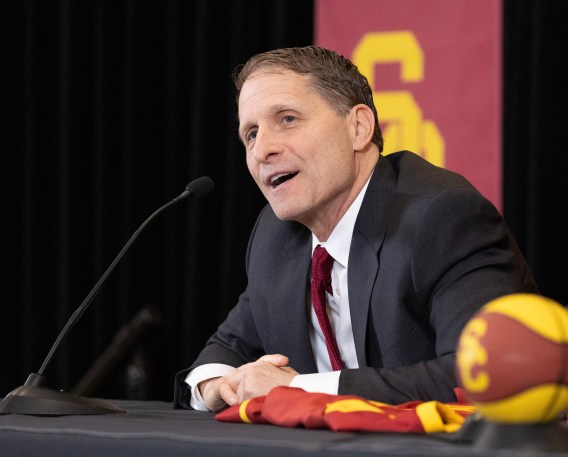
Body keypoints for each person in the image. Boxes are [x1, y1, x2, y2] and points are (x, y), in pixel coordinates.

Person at [173, 45, 538, 412]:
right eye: (250, 134)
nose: (262, 149)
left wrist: (298, 388)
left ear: (359, 128)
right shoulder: (277, 238)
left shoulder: (441, 218)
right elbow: (222, 353)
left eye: (287, 119)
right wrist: (218, 387)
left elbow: (487, 376)